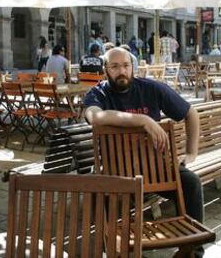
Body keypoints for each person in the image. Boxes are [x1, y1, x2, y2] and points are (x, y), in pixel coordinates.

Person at [83, 47, 203, 256]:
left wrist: (191, 153)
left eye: (126, 65)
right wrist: (144, 120)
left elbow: (190, 113)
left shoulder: (151, 89)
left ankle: (191, 252)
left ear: (133, 67)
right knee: (97, 191)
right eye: (115, 66)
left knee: (191, 183)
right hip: (115, 170)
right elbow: (95, 117)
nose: (122, 71)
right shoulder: (97, 93)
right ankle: (116, 250)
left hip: (154, 168)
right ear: (105, 70)